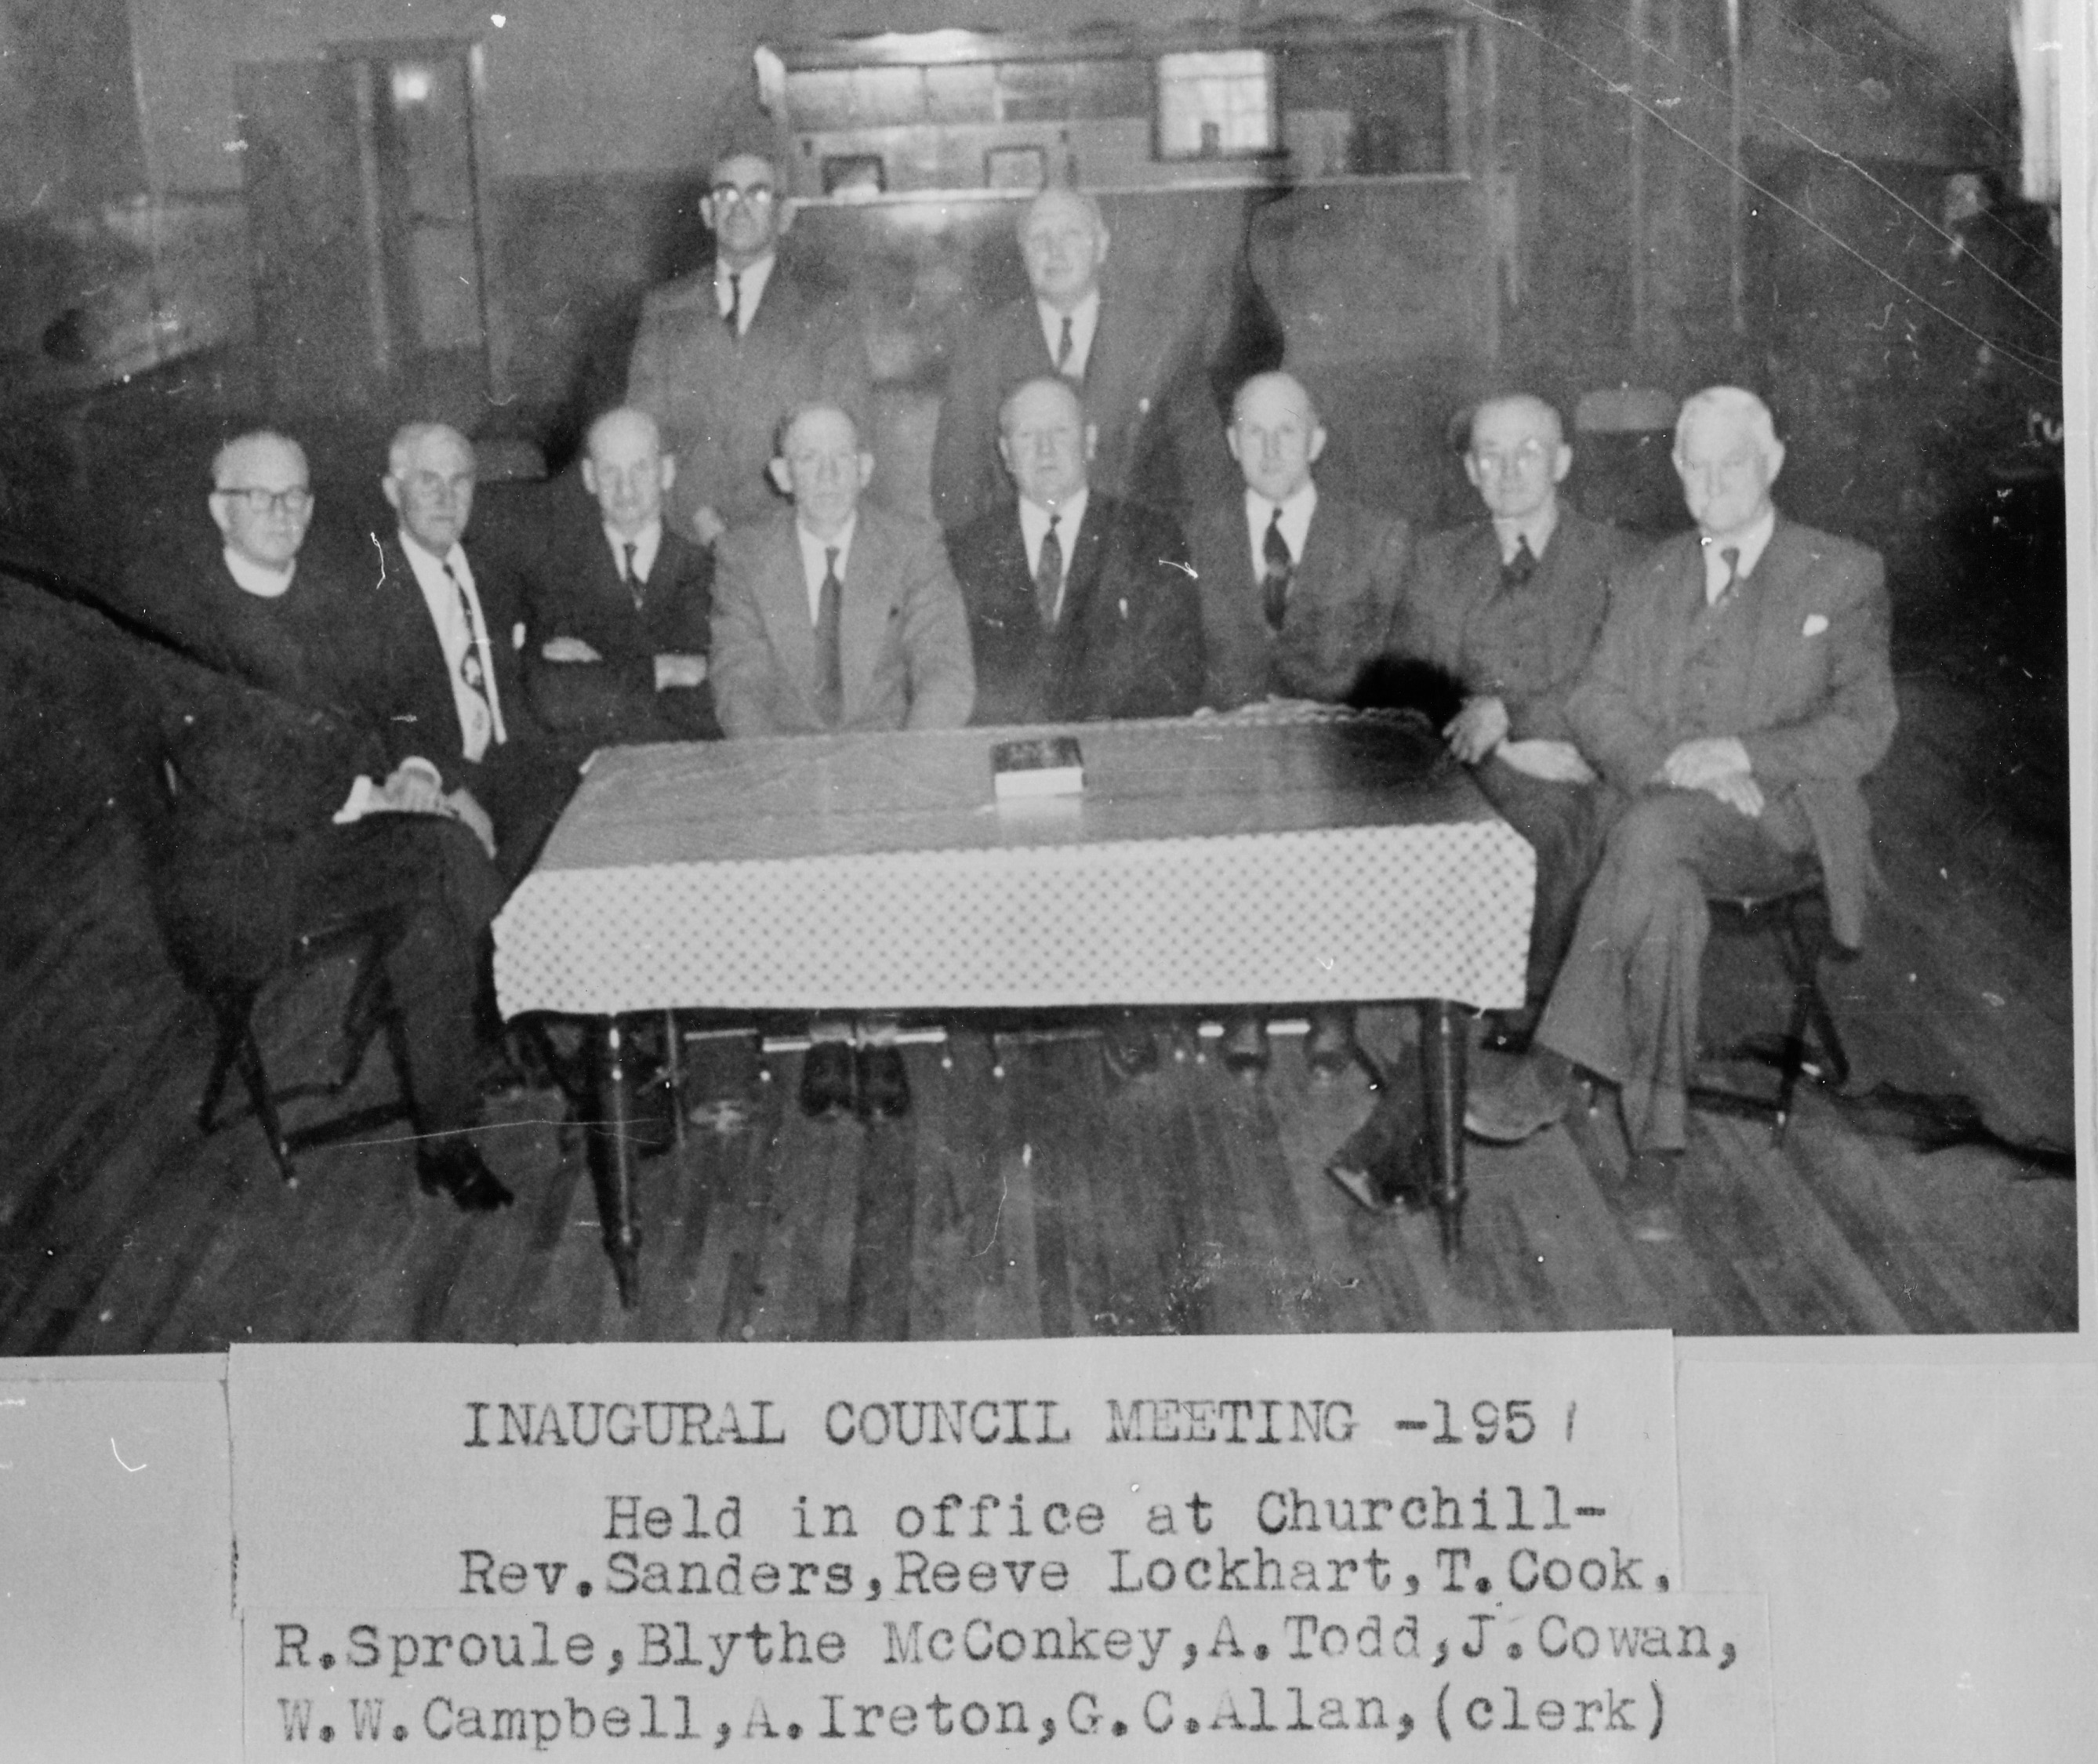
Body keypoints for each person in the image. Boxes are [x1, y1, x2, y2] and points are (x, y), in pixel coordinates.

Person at [1464, 387, 1897, 1178]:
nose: (1714, 483)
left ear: (1773, 461)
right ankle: (1659, 1149)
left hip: (1780, 821)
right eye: (1697, 467)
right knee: (1660, 881)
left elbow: (1867, 726)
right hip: (1661, 817)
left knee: (1645, 835)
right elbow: (1596, 699)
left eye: (1734, 464)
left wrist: (1740, 753)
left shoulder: (1841, 572)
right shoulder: (1649, 573)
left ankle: (1551, 1069)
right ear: (1675, 467)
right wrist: (1676, 766)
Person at [147, 430, 517, 1212]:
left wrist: (414, 769)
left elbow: (400, 702)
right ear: (219, 510)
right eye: (260, 497)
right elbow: (240, 773)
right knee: (443, 854)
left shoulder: (333, 597)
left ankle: (448, 1143)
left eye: (296, 496)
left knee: (429, 914)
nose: (283, 512)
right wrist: (369, 795)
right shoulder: (184, 625)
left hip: (335, 849)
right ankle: (521, 994)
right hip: (241, 880)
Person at [710, 403, 975, 1118]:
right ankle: (826, 1030)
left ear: (865, 467)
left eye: (840, 459)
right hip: (786, 761)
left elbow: (946, 669)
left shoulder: (913, 543)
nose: (826, 476)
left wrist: (907, 768)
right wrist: (780, 774)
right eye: (808, 460)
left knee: (886, 852)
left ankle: (881, 1033)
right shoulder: (742, 553)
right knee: (798, 850)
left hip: (892, 754)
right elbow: (738, 682)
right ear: (781, 474)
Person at [946, 375, 1203, 1078]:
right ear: (1004, 453)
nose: (1045, 449)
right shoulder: (967, 549)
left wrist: (1094, 751)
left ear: (1089, 440)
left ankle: (1125, 1006)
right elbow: (955, 676)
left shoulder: (1152, 536)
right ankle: (1013, 1009)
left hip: (1120, 763)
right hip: (1008, 767)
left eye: (1059, 431)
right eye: (1027, 436)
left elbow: (1177, 669)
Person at [1389, 392, 1646, 1050]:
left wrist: (1517, 716)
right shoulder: (1437, 559)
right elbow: (1415, 684)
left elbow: (1627, 682)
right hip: (1472, 765)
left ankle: (1535, 1015)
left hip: (1585, 760)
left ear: (1562, 462)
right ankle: (1508, 1015)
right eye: (1490, 455)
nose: (1508, 470)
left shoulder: (1623, 561)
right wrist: (1505, 747)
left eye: (1529, 452)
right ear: (1470, 470)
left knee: (1563, 826)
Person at [1186, 369, 1412, 1078]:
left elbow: (1399, 658)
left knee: (1330, 797)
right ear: (1232, 444)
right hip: (1231, 738)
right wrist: (1210, 712)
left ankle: (1331, 997)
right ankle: (1245, 999)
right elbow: (1177, 653)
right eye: (1254, 431)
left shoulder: (1379, 537)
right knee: (1228, 797)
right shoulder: (1194, 537)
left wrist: (1336, 715)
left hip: (1336, 737)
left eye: (1287, 430)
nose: (1271, 447)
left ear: (1316, 440)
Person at [930, 187, 1232, 533]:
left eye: (1071, 234)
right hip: (1027, 554)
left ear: (1101, 245)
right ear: (1023, 252)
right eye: (1039, 237)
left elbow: (1206, 474)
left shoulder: (1159, 338)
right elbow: (956, 488)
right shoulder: (983, 348)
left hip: (1137, 552)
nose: (1055, 251)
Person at [363, 422, 577, 884]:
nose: (447, 498)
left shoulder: (495, 571)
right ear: (392, 491)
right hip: (435, 773)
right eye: (428, 481)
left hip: (514, 764)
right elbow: (382, 710)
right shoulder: (371, 589)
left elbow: (543, 636)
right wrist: (450, 786)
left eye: (459, 481)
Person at [626, 151, 872, 544]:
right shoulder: (665, 310)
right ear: (707, 212)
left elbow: (845, 438)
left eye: (758, 194)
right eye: (726, 194)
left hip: (791, 541)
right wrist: (696, 515)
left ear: (785, 215)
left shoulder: (828, 315)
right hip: (687, 536)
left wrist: (776, 537)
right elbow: (644, 434)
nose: (739, 208)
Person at [516, 407, 717, 745]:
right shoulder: (555, 573)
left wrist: (604, 671)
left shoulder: (709, 570)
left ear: (667, 472)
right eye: (610, 471)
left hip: (689, 767)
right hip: (595, 769)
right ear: (589, 477)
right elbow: (555, 700)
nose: (626, 487)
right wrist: (665, 670)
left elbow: (714, 702)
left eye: (640, 468)